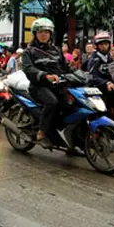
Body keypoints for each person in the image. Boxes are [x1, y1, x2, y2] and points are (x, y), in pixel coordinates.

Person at [21, 18, 74, 147]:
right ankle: (42, 132)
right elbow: (28, 68)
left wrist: (80, 74)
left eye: (47, 32)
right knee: (51, 102)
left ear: (51, 34)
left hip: (58, 86)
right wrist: (45, 76)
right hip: (38, 87)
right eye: (40, 32)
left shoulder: (57, 51)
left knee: (69, 104)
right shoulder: (29, 52)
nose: (44, 34)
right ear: (35, 34)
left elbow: (67, 67)